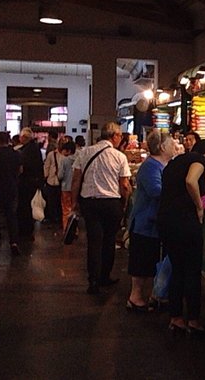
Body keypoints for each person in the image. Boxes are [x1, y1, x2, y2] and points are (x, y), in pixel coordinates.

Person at [158, 139, 205, 337]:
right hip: (185, 222)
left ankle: (176, 318)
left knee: (177, 269)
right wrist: (199, 206)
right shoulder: (199, 160)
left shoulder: (176, 161)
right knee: (192, 271)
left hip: (167, 221)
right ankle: (193, 321)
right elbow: (190, 181)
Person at [71, 122, 132, 295]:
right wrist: (125, 203)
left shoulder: (84, 152)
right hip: (111, 203)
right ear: (114, 136)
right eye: (120, 135)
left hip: (90, 203)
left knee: (94, 241)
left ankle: (93, 281)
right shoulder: (119, 156)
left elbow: (76, 180)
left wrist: (74, 202)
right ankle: (105, 275)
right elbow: (124, 185)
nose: (121, 139)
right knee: (109, 240)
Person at [127, 131, 176, 312]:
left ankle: (151, 295)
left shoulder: (162, 165)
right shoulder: (151, 167)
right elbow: (156, 191)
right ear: (162, 147)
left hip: (154, 223)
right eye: (172, 143)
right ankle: (135, 297)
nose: (175, 146)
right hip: (144, 223)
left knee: (151, 260)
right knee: (142, 260)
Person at [16, 127, 44, 239]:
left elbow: (24, 166)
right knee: (28, 205)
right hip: (34, 181)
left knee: (24, 206)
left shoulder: (26, 151)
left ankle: (25, 230)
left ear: (24, 137)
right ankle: (28, 229)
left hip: (26, 182)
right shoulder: (35, 148)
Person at [42, 136, 64, 226]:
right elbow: (47, 166)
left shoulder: (65, 155)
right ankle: (53, 218)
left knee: (57, 202)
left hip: (59, 181)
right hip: (52, 180)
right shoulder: (52, 154)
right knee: (51, 202)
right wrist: (45, 176)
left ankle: (57, 218)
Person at [57, 140, 77, 234]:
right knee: (74, 209)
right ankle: (75, 229)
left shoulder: (64, 160)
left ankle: (67, 230)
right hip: (76, 188)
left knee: (66, 210)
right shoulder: (79, 159)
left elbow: (60, 175)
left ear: (68, 150)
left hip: (65, 187)